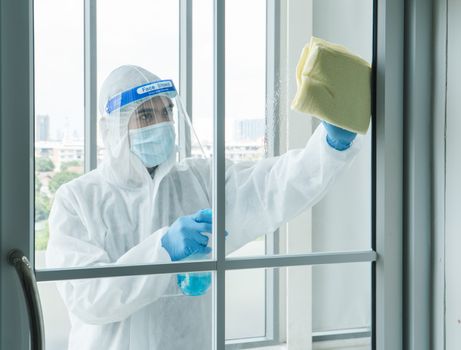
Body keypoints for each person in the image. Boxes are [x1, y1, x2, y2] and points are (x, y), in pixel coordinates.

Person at [46, 65, 362, 349]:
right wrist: (163, 249)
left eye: (166, 111)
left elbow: (268, 187)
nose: (160, 123)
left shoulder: (197, 180)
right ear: (112, 129)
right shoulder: (77, 200)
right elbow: (87, 297)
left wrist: (328, 147)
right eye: (145, 115)